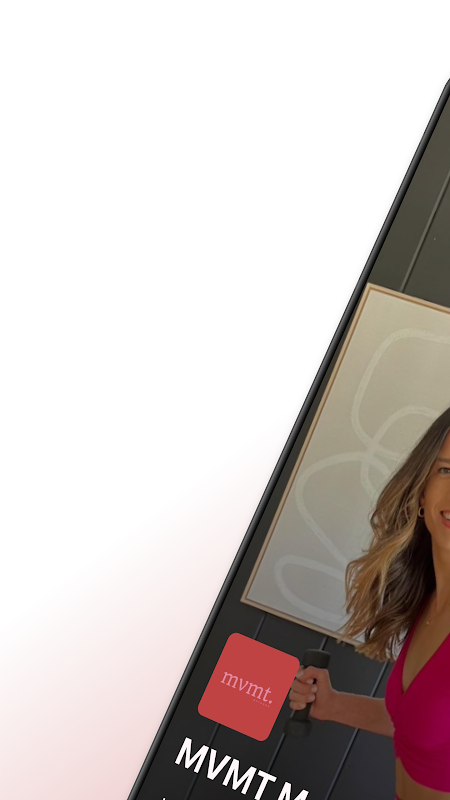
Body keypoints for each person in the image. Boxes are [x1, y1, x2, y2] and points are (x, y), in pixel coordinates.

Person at [289, 406, 450, 800]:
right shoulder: (428, 599)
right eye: (447, 470)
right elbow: (422, 727)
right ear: (421, 490)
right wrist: (333, 705)